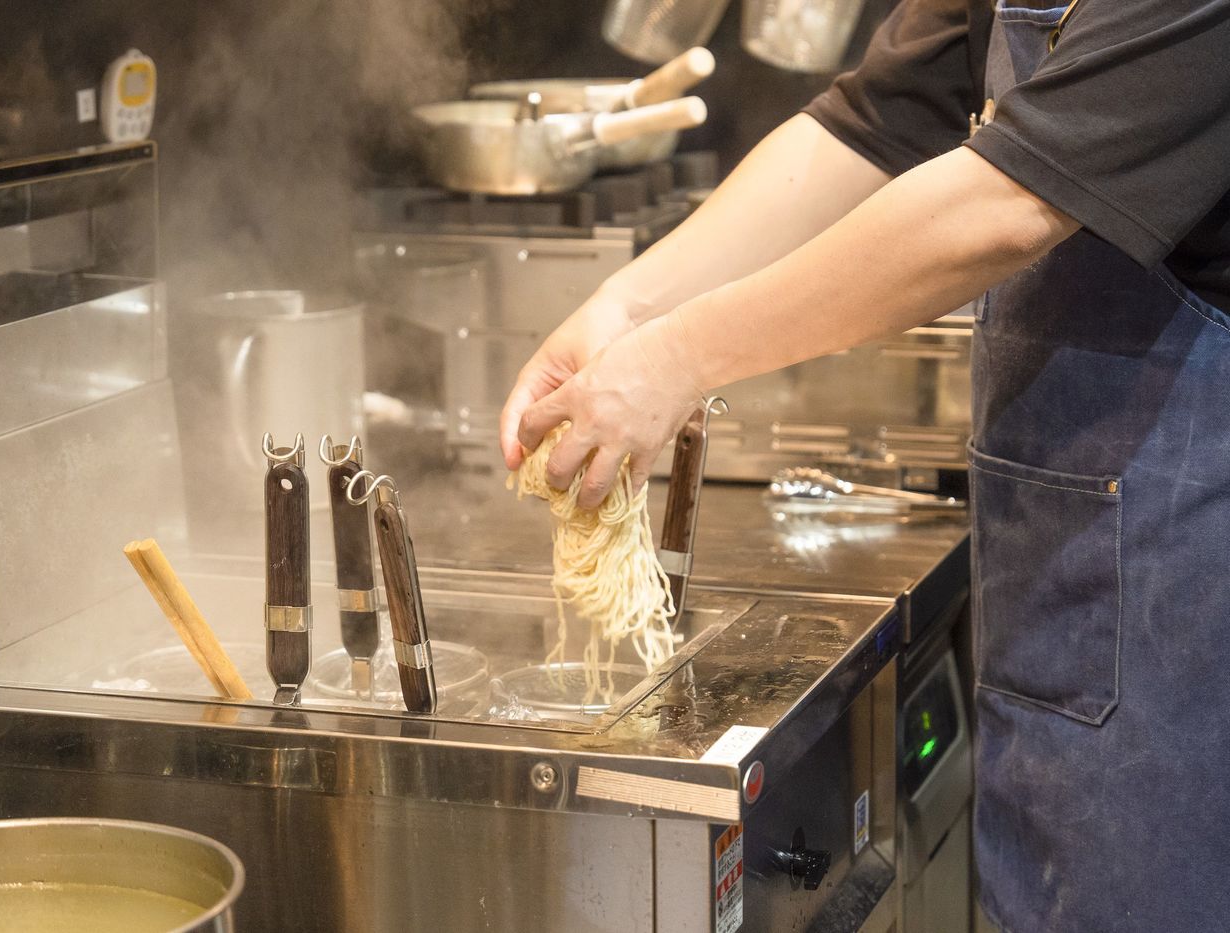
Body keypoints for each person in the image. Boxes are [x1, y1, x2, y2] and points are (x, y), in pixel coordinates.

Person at [500, 1, 1230, 930]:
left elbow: (1009, 203)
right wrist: (629, 304)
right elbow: (878, 122)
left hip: (1191, 588)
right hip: (1075, 586)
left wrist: (677, 358)